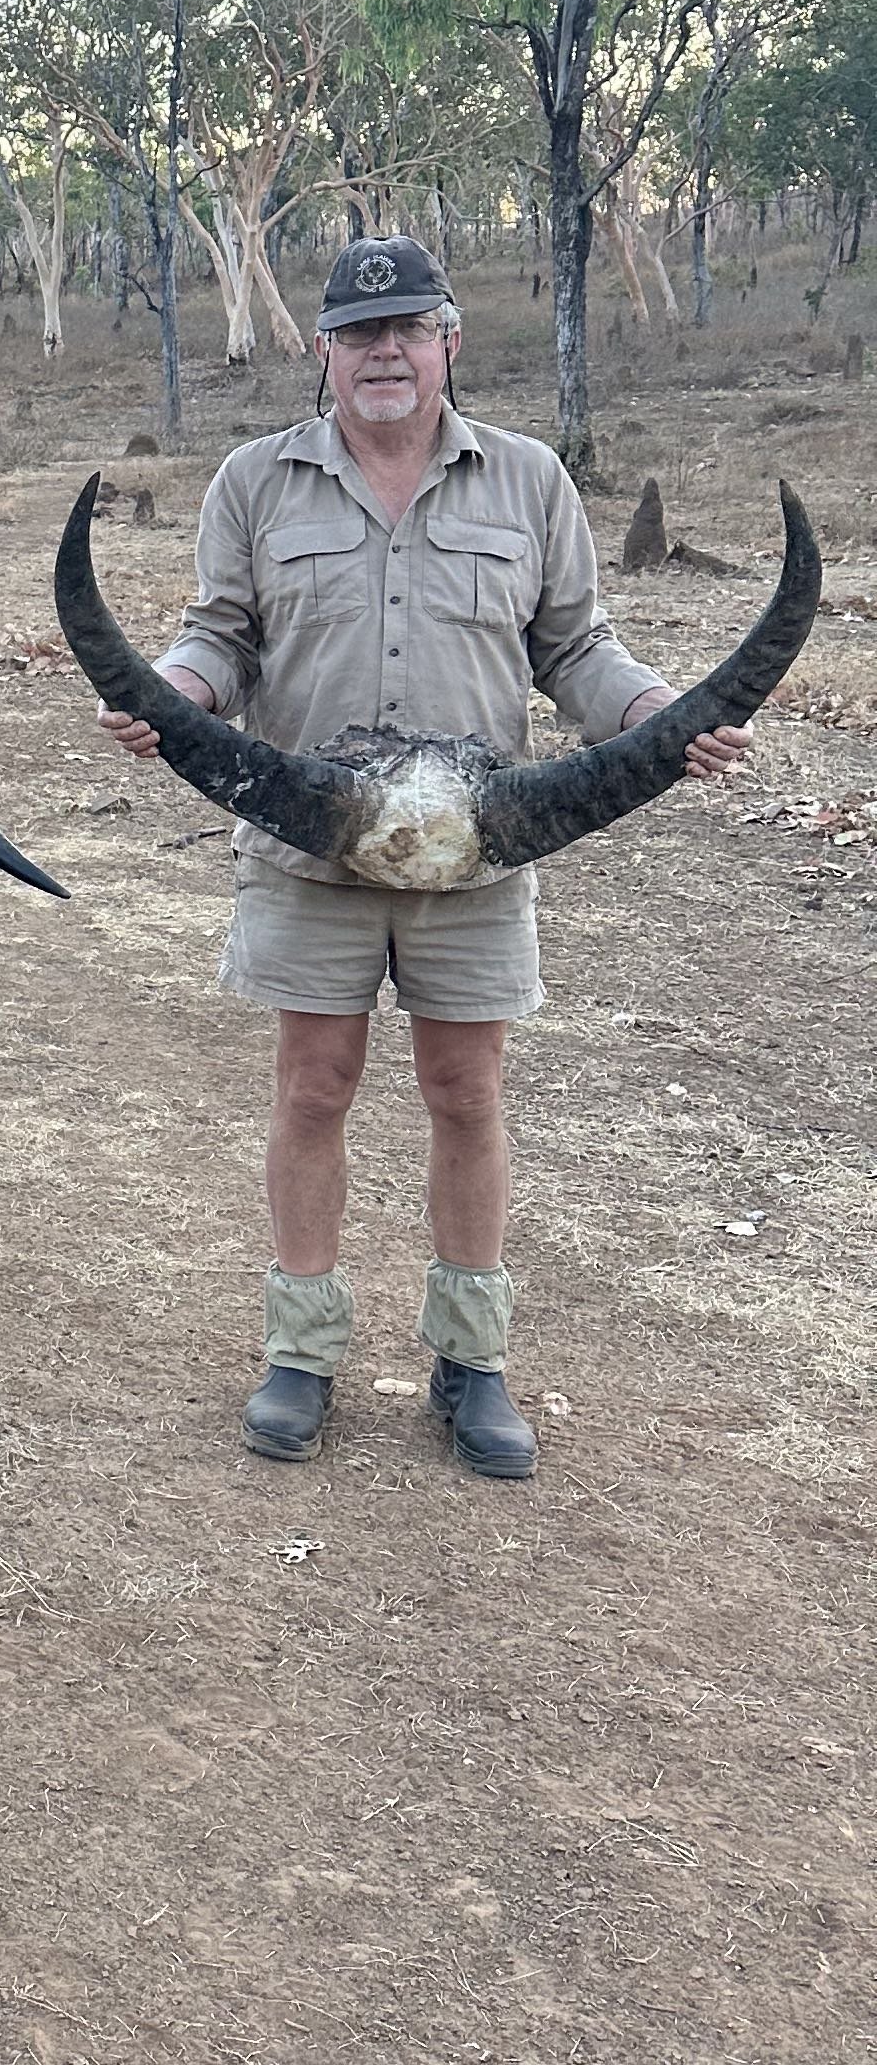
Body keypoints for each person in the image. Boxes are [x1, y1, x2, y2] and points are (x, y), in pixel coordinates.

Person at [93, 237, 749, 1478]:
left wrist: (657, 712)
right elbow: (219, 639)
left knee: (466, 1095)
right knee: (312, 1089)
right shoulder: (253, 481)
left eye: (407, 328)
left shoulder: (530, 480)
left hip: (478, 852)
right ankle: (302, 1349)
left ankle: (472, 1358)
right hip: (310, 847)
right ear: (324, 352)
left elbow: (576, 650)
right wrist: (171, 695)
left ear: (449, 339)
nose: (383, 352)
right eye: (358, 332)